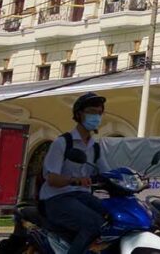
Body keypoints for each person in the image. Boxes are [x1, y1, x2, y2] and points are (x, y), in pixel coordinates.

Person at [39, 92, 112, 254]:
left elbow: (108, 173)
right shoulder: (63, 142)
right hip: (58, 198)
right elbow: (51, 178)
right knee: (94, 224)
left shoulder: (95, 147)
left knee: (115, 218)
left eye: (99, 113)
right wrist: (75, 181)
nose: (97, 117)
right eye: (92, 112)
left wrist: (132, 179)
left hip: (82, 198)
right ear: (79, 114)